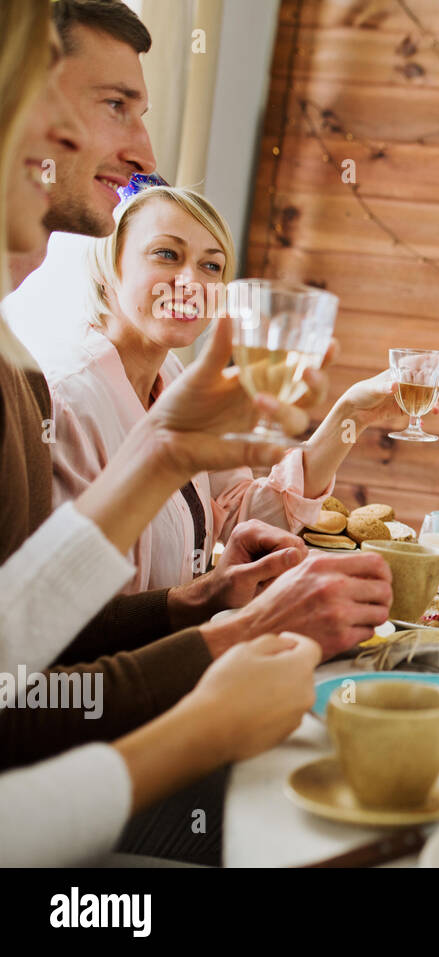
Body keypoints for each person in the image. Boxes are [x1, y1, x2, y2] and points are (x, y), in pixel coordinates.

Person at [0, 0, 322, 867]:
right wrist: (206, 695)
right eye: (108, 107)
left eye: (211, 263)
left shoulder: (16, 368)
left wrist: (166, 457)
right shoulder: (55, 383)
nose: (138, 154)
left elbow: (6, 646)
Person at [45, 184, 407, 593]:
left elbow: (245, 515)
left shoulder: (177, 377)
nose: (191, 282)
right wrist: (209, 600)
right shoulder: (68, 398)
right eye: (167, 254)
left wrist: (349, 417)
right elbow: (61, 604)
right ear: (107, 265)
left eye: (211, 266)